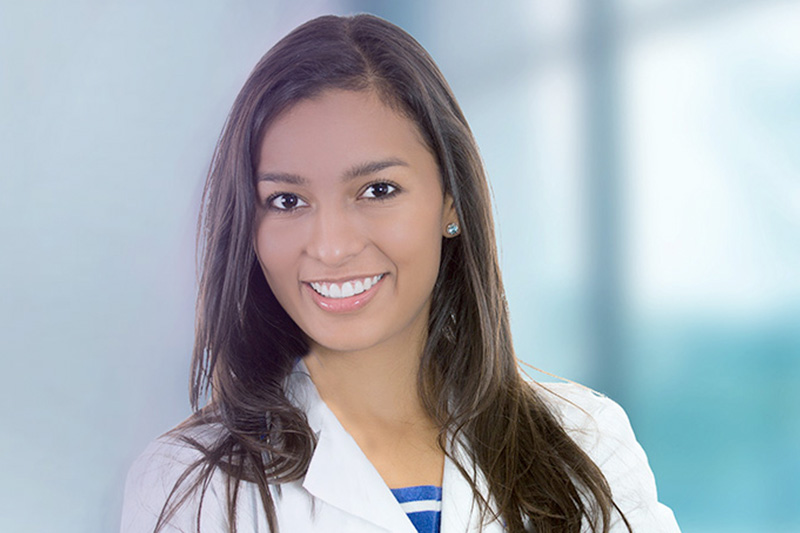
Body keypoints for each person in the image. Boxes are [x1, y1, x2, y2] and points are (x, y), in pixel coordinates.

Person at [120, 13, 680, 533]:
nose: (332, 247)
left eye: (377, 190)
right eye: (288, 201)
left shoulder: (587, 444)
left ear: (451, 202)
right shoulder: (192, 485)